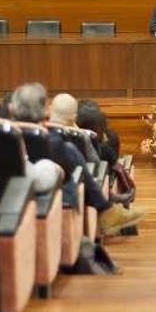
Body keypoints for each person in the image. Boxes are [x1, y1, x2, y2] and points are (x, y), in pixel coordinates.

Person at [10, 83, 145, 236]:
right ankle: (105, 211)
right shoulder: (55, 141)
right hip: (45, 200)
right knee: (71, 157)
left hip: (1, 203)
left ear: (11, 109)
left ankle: (106, 211)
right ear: (45, 112)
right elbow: (90, 166)